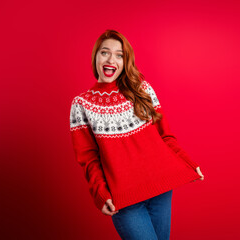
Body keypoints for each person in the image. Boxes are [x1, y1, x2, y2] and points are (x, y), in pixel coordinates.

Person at [69, 29, 204, 240]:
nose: (111, 59)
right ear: (96, 56)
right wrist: (100, 193)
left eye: (119, 55)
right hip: (126, 198)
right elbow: (89, 158)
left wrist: (187, 162)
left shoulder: (143, 89)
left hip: (161, 187)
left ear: (125, 61)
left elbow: (165, 136)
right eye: (105, 52)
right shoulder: (81, 104)